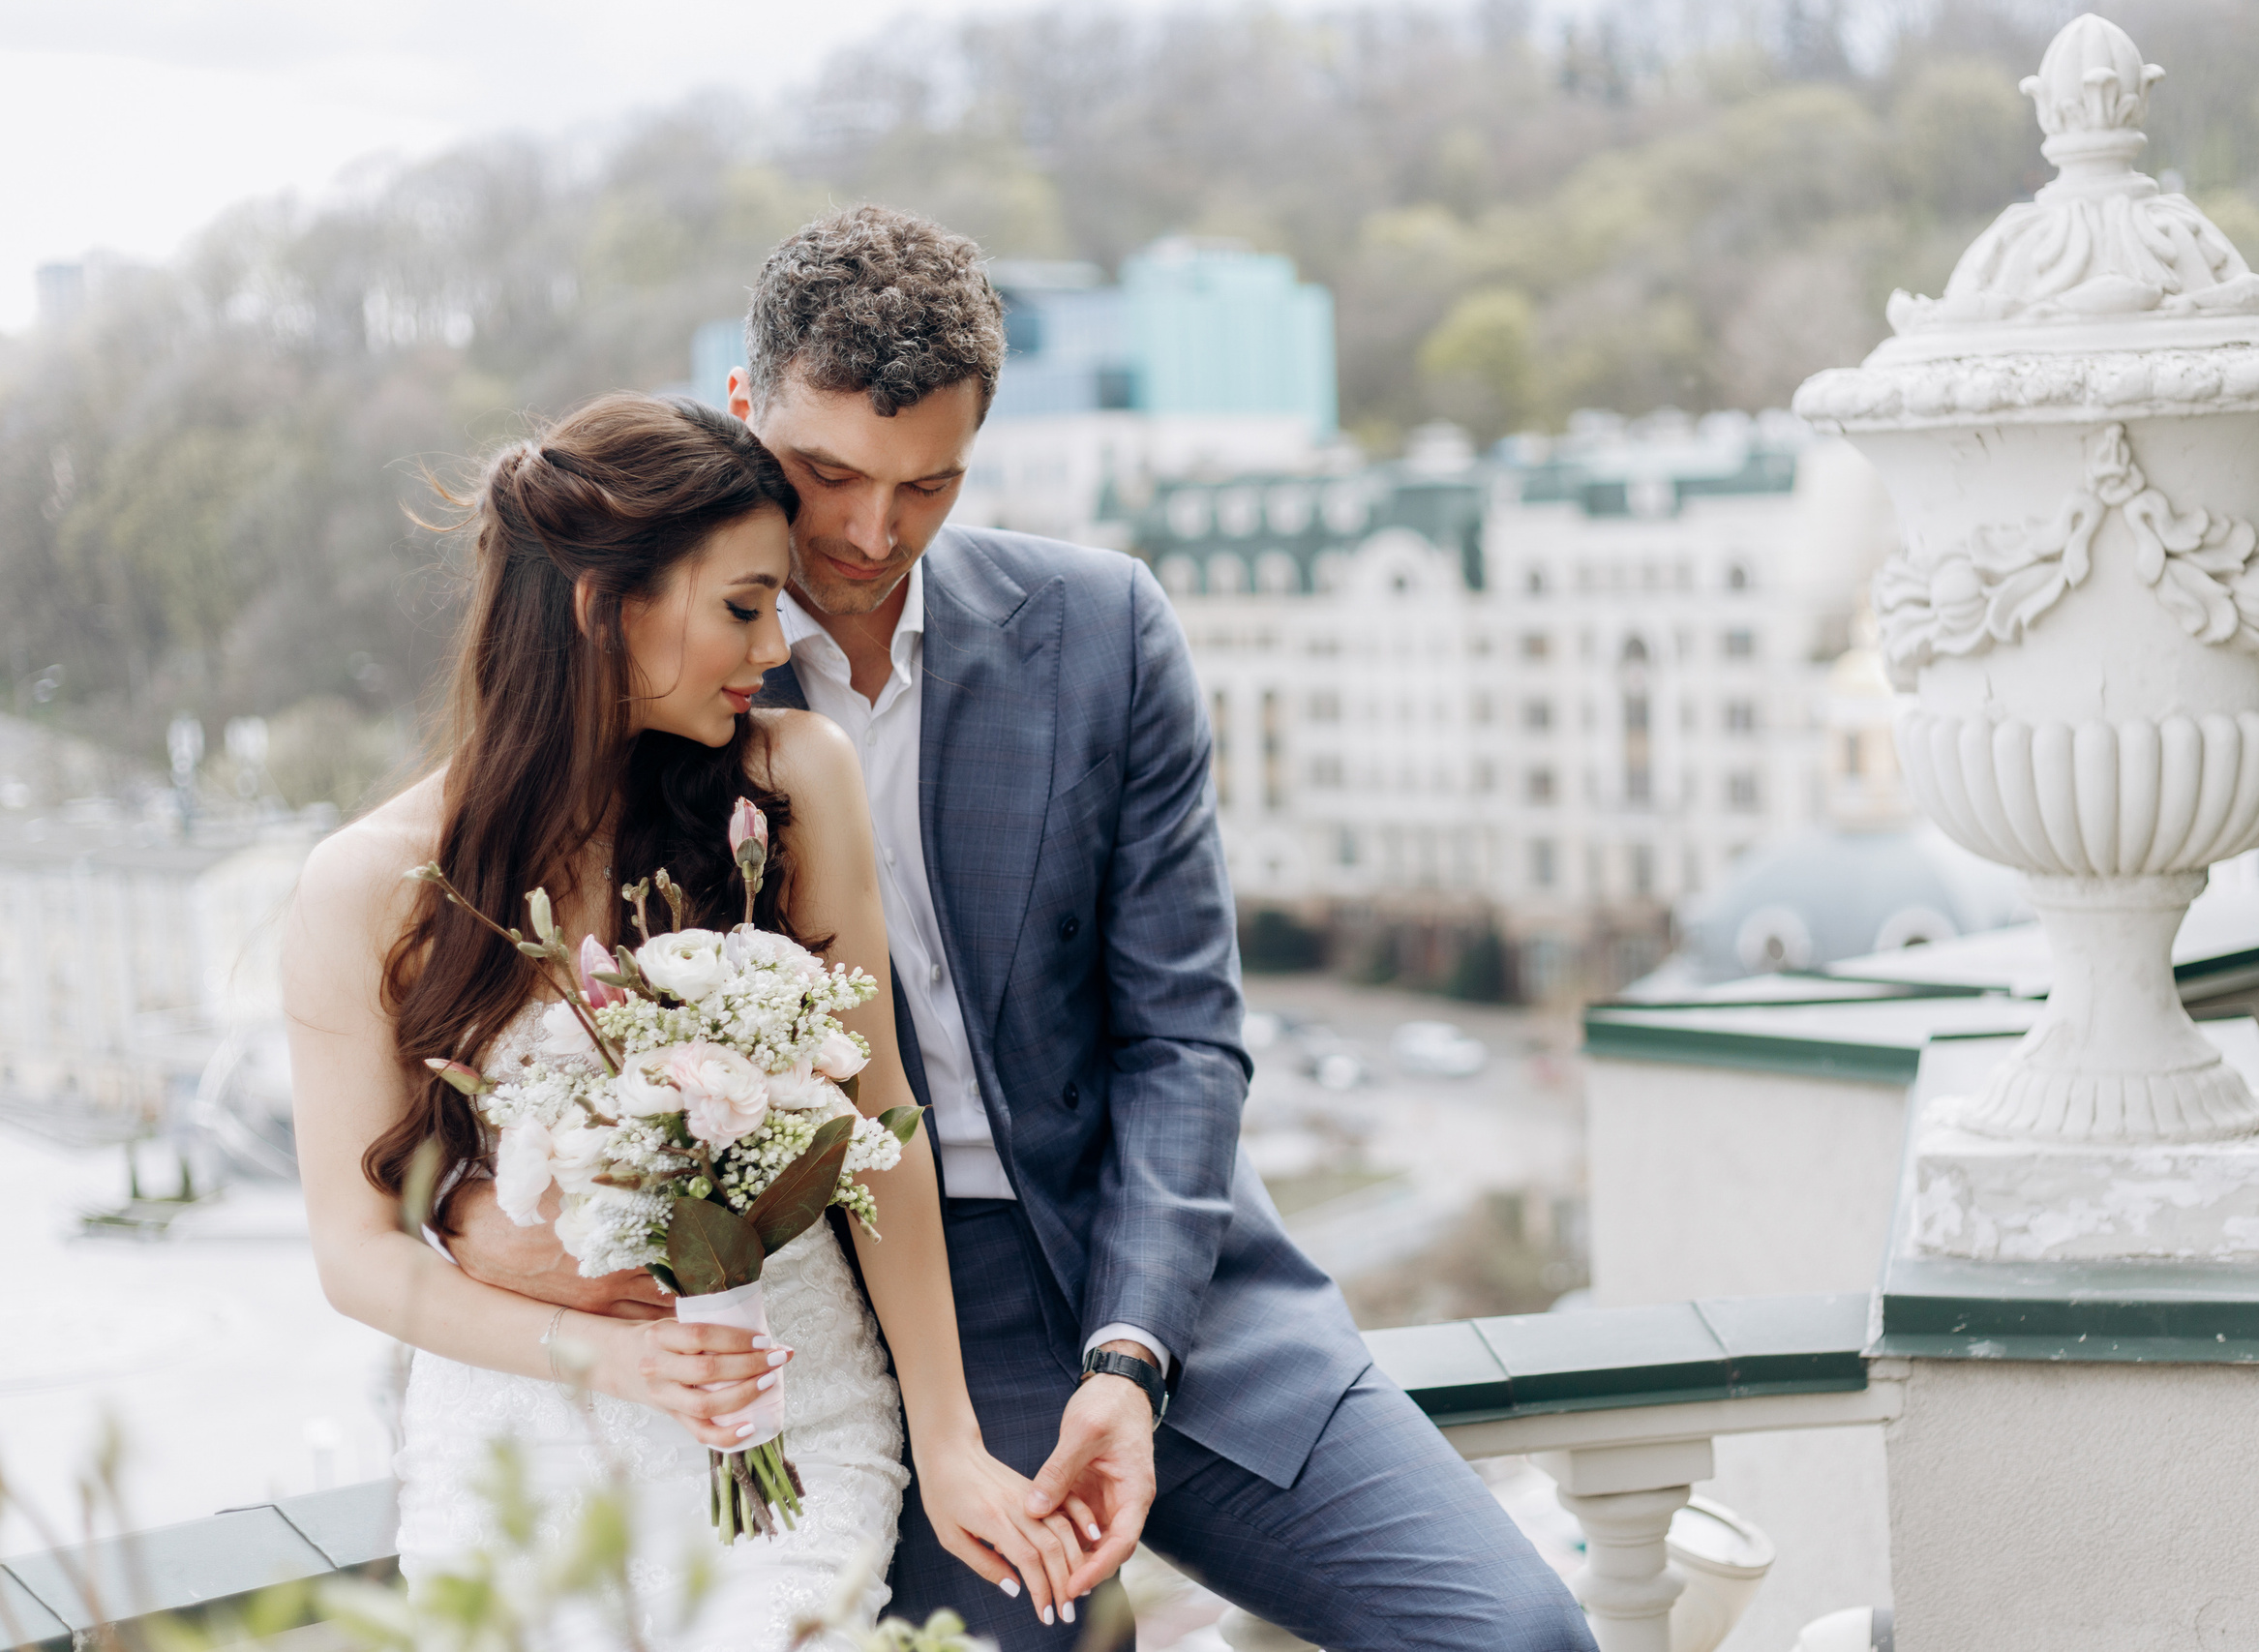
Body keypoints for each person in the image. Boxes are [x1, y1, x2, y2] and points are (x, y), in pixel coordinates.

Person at [443, 206, 1595, 1649]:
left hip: (1171, 1282)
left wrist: (1131, 1353)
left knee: (1516, 1633)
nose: (872, 534)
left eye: (931, 483)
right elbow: (508, 1042)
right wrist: (502, 1225)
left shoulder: (1105, 629)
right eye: (827, 475)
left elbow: (1185, 1035)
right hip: (883, 1323)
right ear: (747, 414)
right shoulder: (671, 689)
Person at [282, 392, 1097, 1650]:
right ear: (604, 611)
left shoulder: (792, 782)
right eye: (742, 606)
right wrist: (598, 1354)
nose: (774, 645)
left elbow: (881, 1125)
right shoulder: (366, 888)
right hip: (522, 1448)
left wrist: (952, 1443)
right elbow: (360, 1257)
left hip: (789, 1420)